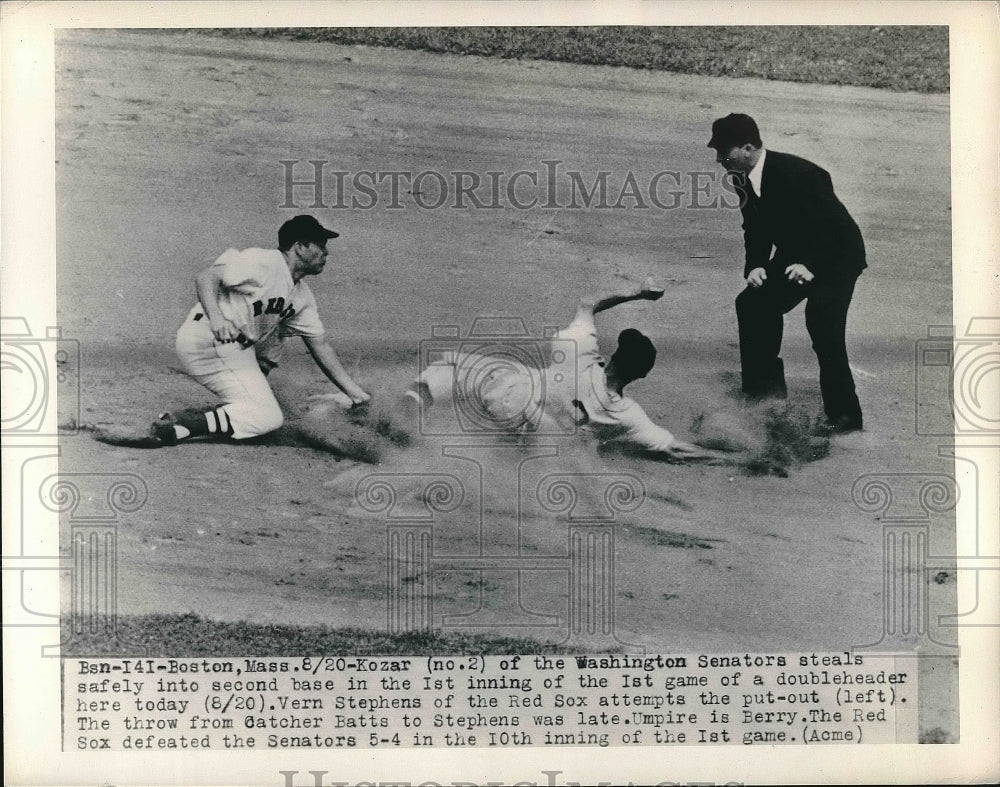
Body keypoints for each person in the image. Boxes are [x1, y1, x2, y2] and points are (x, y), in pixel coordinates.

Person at [404, 278, 720, 462]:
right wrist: (733, 459)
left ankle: (406, 416)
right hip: (530, 430)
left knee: (449, 366)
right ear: (642, 375)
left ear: (614, 355)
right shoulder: (625, 414)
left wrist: (637, 292)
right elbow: (674, 449)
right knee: (562, 437)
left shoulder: (581, 351)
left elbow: (587, 303)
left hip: (506, 391)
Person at [125, 215, 370, 447]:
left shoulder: (302, 296)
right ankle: (187, 421)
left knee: (261, 401)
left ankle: (177, 429)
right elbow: (206, 277)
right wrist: (218, 318)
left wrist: (357, 395)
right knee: (268, 418)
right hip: (207, 339)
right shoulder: (264, 262)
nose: (326, 252)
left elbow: (320, 346)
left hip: (236, 352)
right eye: (320, 244)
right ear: (299, 246)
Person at [708, 113, 866, 433]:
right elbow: (755, 227)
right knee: (753, 304)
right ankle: (764, 397)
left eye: (724, 153)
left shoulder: (803, 174)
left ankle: (845, 416)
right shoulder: (741, 176)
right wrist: (755, 265)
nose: (720, 160)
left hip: (836, 257)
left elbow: (834, 229)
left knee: (822, 323)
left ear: (748, 147)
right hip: (797, 253)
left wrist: (811, 266)